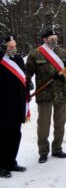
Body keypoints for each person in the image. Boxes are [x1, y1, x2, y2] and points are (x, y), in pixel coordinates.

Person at [26, 28, 66, 164]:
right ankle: (43, 151)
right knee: (43, 125)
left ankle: (57, 149)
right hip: (44, 94)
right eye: (51, 38)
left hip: (62, 93)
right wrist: (27, 84)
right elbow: (27, 73)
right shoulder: (35, 54)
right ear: (44, 39)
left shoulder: (62, 52)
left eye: (55, 38)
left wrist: (65, 77)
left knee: (60, 123)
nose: (54, 40)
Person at [0, 36, 28, 178]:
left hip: (18, 104)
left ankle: (12, 161)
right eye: (10, 47)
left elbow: (23, 76)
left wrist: (28, 84)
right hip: (4, 107)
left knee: (16, 134)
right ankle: (2, 166)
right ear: (4, 47)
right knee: (4, 136)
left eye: (15, 46)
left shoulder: (18, 59)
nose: (14, 49)